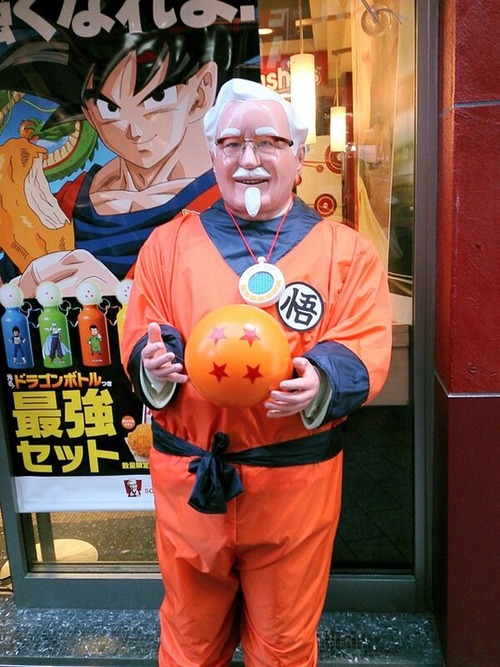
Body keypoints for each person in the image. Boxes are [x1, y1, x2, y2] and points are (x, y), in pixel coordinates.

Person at [121, 78, 392, 666]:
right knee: (189, 639)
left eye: (268, 142)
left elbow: (365, 338)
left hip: (293, 486)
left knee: (284, 643)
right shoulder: (165, 246)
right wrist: (155, 360)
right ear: (213, 155)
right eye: (231, 144)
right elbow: (143, 324)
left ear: (299, 156)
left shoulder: (347, 253)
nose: (248, 159)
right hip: (190, 482)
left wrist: (323, 379)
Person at [0, 22, 257, 294]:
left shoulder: (229, 200)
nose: (134, 129)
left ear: (201, 93)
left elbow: (249, 290)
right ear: (90, 113)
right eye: (109, 108)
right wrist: (22, 290)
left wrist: (121, 298)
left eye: (157, 97)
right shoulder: (68, 202)